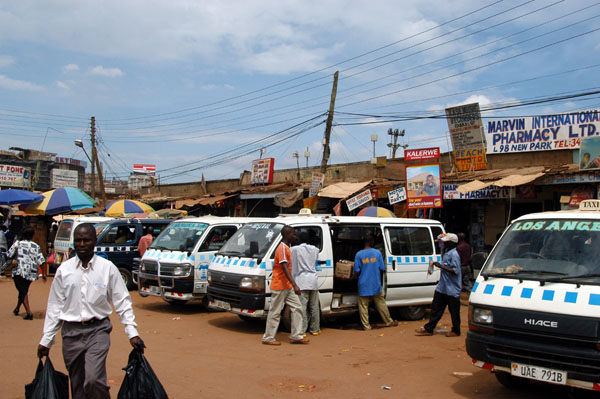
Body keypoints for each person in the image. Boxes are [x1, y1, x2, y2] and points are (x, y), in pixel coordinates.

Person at [37, 223, 145, 399]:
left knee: (94, 380)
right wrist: (47, 339)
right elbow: (55, 307)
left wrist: (132, 332)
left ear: (94, 242)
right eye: (78, 240)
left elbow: (122, 301)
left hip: (98, 330)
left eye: (86, 240)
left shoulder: (107, 268)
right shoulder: (64, 271)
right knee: (78, 385)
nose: (81, 244)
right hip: (71, 333)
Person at [262, 226, 309, 345]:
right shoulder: (282, 248)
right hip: (280, 286)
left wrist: (292, 285)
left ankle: (296, 336)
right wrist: (295, 285)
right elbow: (284, 267)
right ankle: (268, 338)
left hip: (286, 286)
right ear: (287, 235)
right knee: (275, 312)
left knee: (297, 308)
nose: (295, 237)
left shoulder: (287, 248)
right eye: (293, 234)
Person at [415, 233, 462, 337]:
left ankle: (456, 330)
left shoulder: (454, 254)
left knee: (454, 311)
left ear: (451, 243)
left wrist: (440, 266)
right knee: (436, 308)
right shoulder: (446, 252)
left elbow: (455, 271)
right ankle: (429, 328)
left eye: (445, 242)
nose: (443, 243)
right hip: (443, 287)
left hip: (452, 288)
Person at [354, 234, 398, 330]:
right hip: (375, 283)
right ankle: (388, 321)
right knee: (380, 302)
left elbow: (356, 270)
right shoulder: (377, 253)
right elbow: (382, 268)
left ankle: (366, 326)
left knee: (363, 305)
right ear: (372, 242)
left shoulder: (358, 254)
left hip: (363, 284)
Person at [8, 226, 46, 320]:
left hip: (19, 271)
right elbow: (41, 261)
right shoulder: (35, 246)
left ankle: (29, 313)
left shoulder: (18, 243)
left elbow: (9, 255)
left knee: (23, 291)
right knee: (23, 290)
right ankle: (17, 308)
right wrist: (44, 274)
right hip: (31, 273)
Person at [291, 232, 321, 336]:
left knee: (302, 307)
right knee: (314, 306)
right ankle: (315, 329)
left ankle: (302, 330)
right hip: (313, 280)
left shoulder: (294, 249)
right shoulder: (315, 249)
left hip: (301, 280)